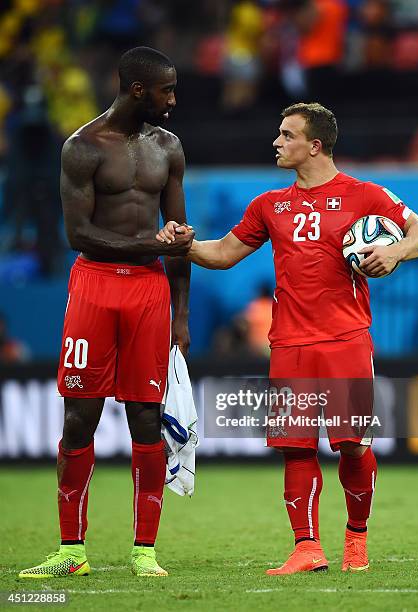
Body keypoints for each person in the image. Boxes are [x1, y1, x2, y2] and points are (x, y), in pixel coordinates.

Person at [157, 102, 418, 574]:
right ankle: (307, 548)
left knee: (352, 445)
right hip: (288, 342)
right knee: (296, 447)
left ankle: (356, 540)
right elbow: (223, 253)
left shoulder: (365, 195)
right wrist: (183, 242)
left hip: (346, 339)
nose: (276, 142)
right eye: (279, 134)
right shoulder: (269, 205)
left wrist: (395, 252)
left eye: (287, 135)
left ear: (315, 145)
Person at [19, 47, 194, 579]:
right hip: (94, 286)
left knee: (145, 414)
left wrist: (181, 317)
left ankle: (145, 552)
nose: (173, 100)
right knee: (81, 415)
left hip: (148, 292)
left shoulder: (170, 148)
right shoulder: (83, 147)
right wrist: (153, 244)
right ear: (137, 89)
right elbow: (79, 234)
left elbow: (179, 238)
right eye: (166, 90)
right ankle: (72, 550)